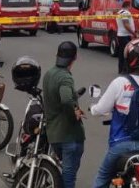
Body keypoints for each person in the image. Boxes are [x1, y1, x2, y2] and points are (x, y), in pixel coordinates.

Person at [90, 40, 139, 188]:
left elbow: (100, 109)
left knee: (102, 178)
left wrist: (93, 109)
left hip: (120, 144)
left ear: (129, 59)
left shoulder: (119, 83)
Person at [43, 41, 86, 188]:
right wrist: (74, 113)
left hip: (54, 135)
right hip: (69, 136)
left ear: (57, 55)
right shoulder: (65, 77)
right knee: (69, 175)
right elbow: (66, 99)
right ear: (75, 58)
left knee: (65, 171)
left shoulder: (49, 74)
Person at [116, 1, 136, 73]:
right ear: (128, 5)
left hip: (121, 35)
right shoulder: (125, 13)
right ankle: (125, 69)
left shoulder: (120, 12)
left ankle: (121, 69)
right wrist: (133, 33)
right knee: (127, 53)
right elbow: (126, 24)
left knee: (122, 52)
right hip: (125, 35)